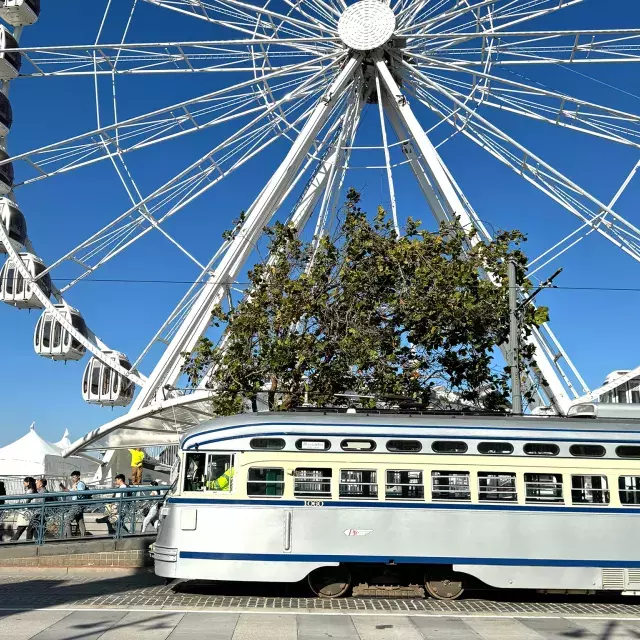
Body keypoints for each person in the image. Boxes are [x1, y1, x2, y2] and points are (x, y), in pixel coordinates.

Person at [10, 477, 36, 541]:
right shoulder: (33, 490)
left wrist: (19, 502)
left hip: (26, 512)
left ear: (28, 483)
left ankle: (13, 541)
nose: (23, 484)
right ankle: (28, 541)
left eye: (24, 482)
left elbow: (25, 501)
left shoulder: (30, 491)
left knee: (21, 528)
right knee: (26, 528)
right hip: (29, 511)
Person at [63, 471, 87, 538]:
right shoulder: (76, 484)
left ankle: (69, 537)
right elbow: (70, 491)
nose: (72, 479)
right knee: (80, 521)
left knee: (67, 520)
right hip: (78, 505)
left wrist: (75, 488)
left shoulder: (80, 484)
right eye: (72, 477)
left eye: (74, 477)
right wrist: (65, 489)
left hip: (77, 504)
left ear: (78, 477)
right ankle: (84, 537)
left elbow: (80, 493)